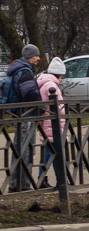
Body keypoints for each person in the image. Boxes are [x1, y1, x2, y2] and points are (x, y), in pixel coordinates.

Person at [7, 45, 43, 191]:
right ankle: (23, 184)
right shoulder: (25, 73)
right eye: (37, 55)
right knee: (26, 149)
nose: (39, 58)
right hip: (26, 114)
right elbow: (29, 93)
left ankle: (15, 183)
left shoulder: (17, 69)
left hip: (19, 113)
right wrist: (41, 106)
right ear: (30, 56)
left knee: (18, 148)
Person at [36, 57, 68, 189]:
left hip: (51, 123)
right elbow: (50, 102)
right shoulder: (51, 85)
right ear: (58, 73)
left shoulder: (48, 82)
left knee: (52, 153)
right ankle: (53, 180)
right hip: (52, 124)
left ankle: (55, 180)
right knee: (52, 153)